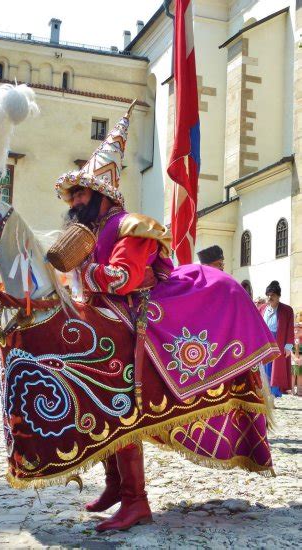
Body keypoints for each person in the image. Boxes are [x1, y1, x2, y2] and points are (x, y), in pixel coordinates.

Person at [54, 105, 279, 532]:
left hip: (143, 320)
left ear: (102, 195)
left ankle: (136, 500)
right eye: (72, 197)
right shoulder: (90, 232)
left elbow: (124, 279)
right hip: (109, 320)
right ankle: (117, 486)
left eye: (80, 195)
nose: (74, 203)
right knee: (98, 403)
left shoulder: (130, 226)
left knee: (117, 405)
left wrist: (84, 266)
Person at [259, 281, 294, 397]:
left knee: (276, 369)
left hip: (278, 342)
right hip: (264, 342)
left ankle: (273, 395)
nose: (270, 297)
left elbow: (290, 329)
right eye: (268, 294)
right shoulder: (262, 308)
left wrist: (288, 347)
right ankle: (265, 394)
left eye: (273, 295)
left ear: (278, 296)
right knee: (264, 369)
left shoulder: (287, 310)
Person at [291, 311, 302, 396]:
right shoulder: (291, 339)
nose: (297, 331)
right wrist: (294, 357)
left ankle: (299, 389)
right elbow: (288, 349)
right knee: (293, 374)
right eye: (295, 329)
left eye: (299, 330)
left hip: (301, 359)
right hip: (293, 358)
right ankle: (292, 389)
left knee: (300, 375)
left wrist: (300, 359)